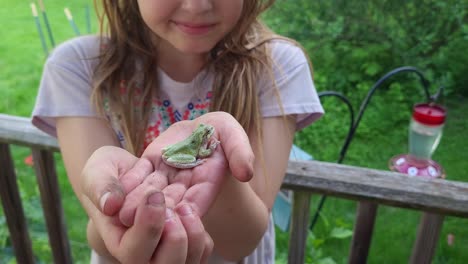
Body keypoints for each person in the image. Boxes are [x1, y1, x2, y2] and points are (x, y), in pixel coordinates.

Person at [31, 0, 324, 263]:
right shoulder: (78, 67)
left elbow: (241, 242)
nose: (196, 6)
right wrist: (120, 209)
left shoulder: (278, 66)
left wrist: (219, 165)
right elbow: (102, 237)